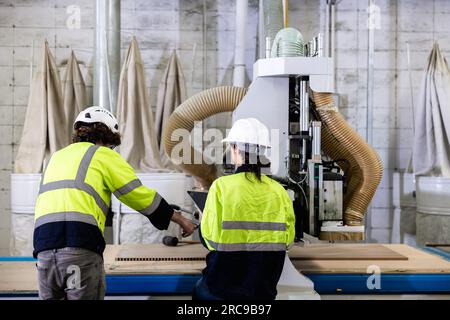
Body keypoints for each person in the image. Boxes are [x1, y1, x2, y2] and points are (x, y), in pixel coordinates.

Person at [34, 106, 197, 300]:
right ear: (106, 136)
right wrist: (181, 220)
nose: (112, 149)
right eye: (112, 144)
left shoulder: (56, 158)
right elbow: (138, 195)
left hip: (43, 250)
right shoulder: (102, 154)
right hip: (79, 247)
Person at [193, 118, 295, 300]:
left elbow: (209, 240)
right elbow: (288, 240)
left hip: (223, 289)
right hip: (263, 292)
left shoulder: (221, 187)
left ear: (235, 149)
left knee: (199, 290)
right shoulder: (279, 191)